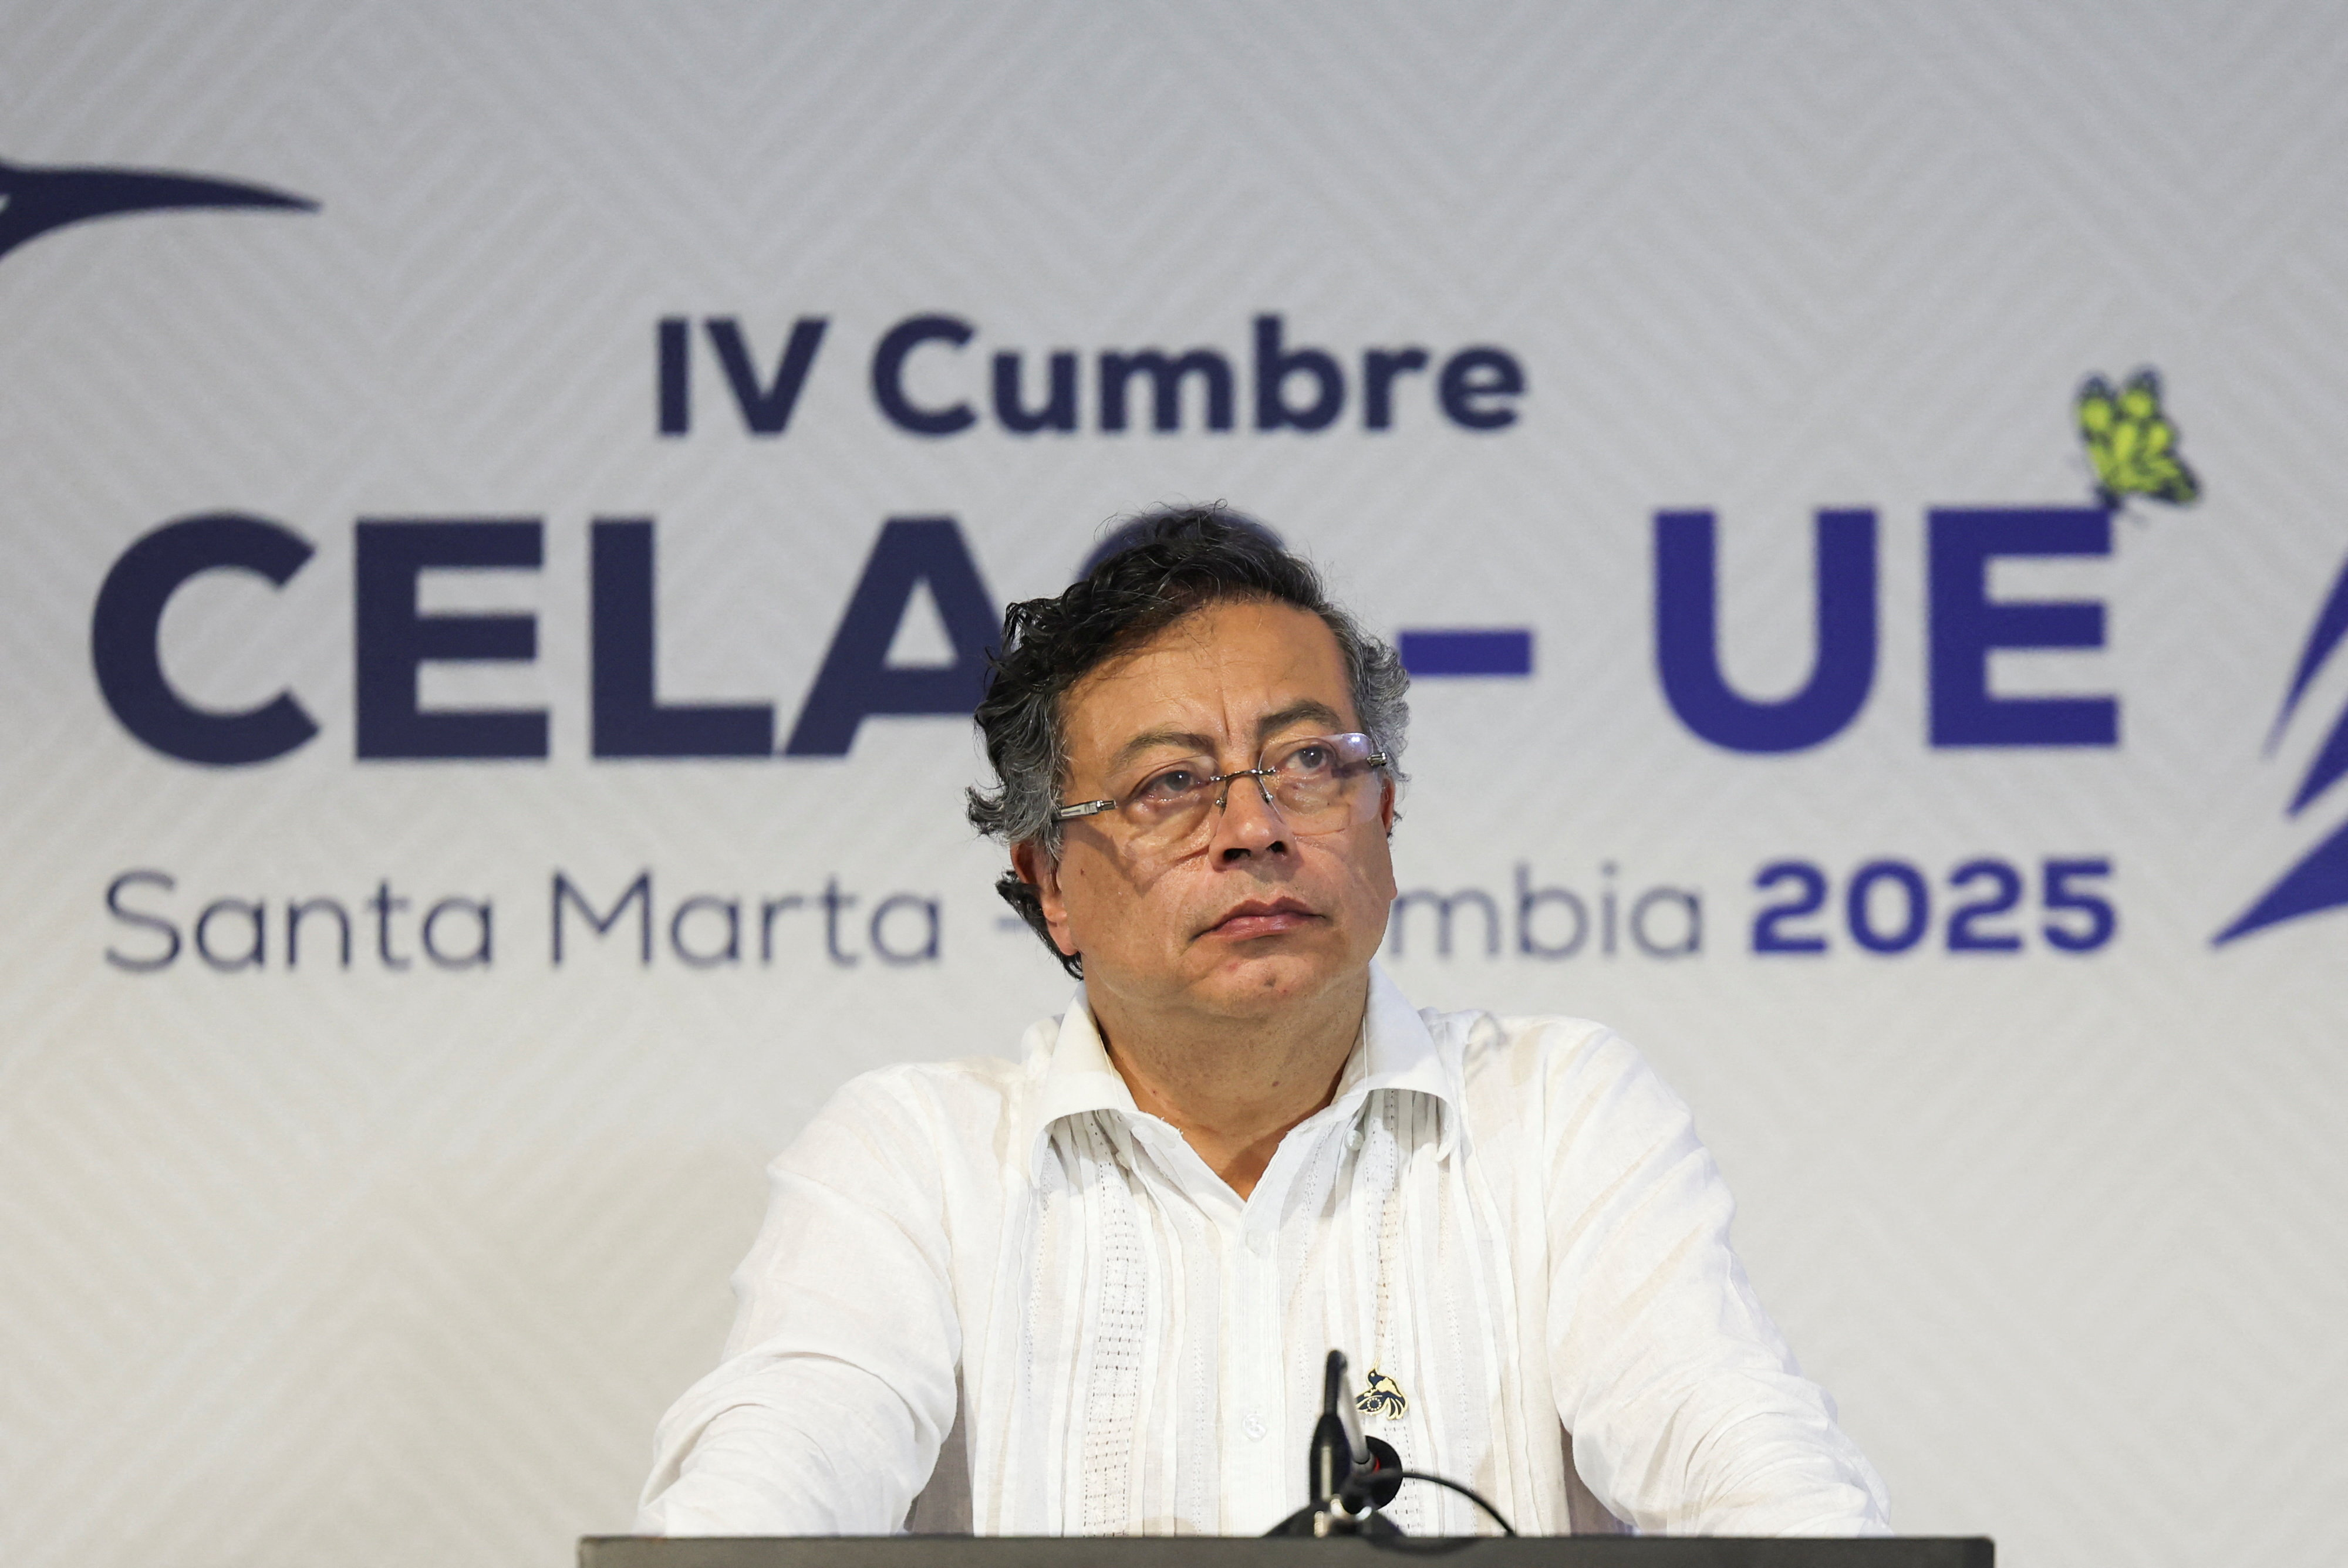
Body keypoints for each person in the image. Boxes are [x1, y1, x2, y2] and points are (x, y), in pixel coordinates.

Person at [636, 506, 1890, 1537]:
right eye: (1170, 784)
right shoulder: (917, 1154)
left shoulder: (1557, 1112)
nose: (1255, 826)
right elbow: (767, 1497)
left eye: (1307, 762)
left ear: (1383, 821)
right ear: (1048, 881)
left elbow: (1757, 1479)